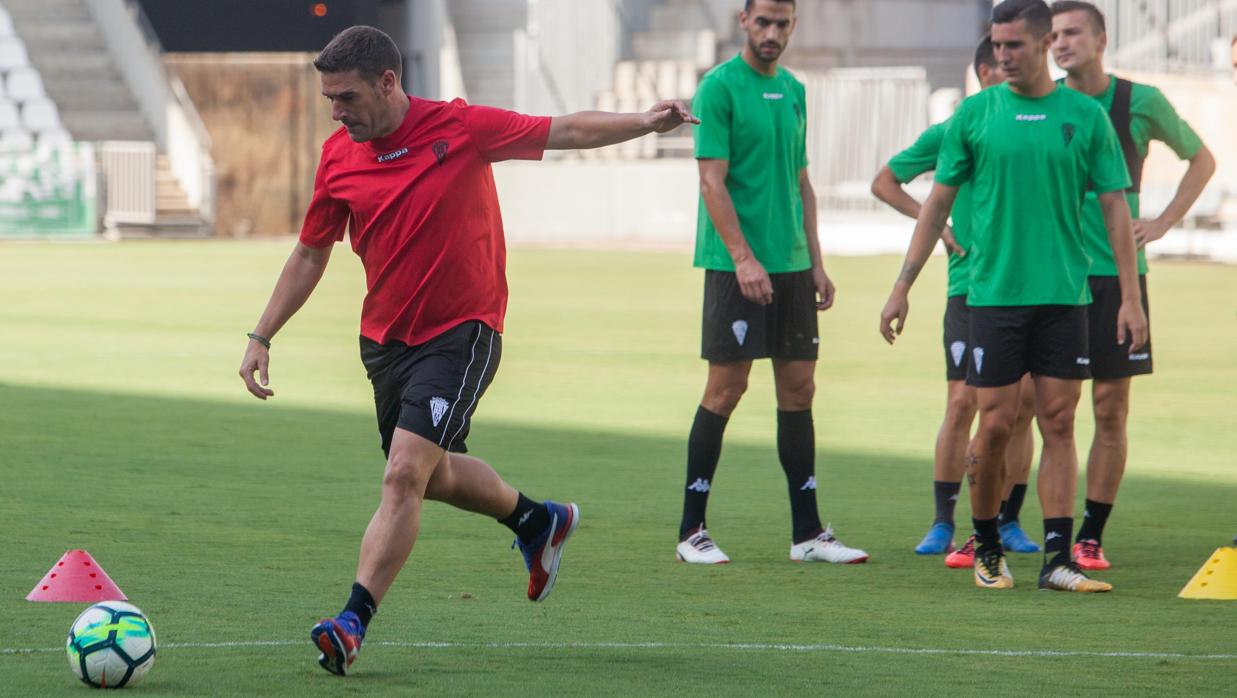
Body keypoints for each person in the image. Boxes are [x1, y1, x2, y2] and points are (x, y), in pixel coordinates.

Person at [237, 26, 698, 676]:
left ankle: (351, 623)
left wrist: (644, 123)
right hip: (384, 342)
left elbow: (561, 130)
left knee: (402, 474)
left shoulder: (461, 128)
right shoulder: (338, 156)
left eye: (345, 97)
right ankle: (538, 522)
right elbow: (312, 252)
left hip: (462, 331)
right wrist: (262, 334)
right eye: (329, 99)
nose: (336, 112)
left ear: (388, 83)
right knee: (432, 474)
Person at [879, 0, 1148, 593]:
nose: (1002, 56)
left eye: (1013, 46)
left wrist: (1130, 298)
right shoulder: (973, 116)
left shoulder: (1084, 116)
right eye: (996, 45)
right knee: (995, 424)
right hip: (992, 299)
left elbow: (1115, 210)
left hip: (1065, 298)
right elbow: (937, 206)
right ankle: (988, 547)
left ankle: (1057, 559)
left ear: (1046, 42)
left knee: (1058, 421)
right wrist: (903, 285)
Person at [675, 0, 867, 566]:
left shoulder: (795, 91)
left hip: (790, 265)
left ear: (793, 26)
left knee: (800, 391)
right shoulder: (719, 89)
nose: (772, 33)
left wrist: (815, 260)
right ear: (743, 22)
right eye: (763, 22)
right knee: (726, 389)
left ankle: (808, 535)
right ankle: (692, 531)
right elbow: (712, 182)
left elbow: (801, 182)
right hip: (737, 266)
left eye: (782, 24)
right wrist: (743, 258)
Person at [1050, 1, 1216, 570]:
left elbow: (1202, 160)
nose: (1060, 44)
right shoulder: (1048, 103)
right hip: (1055, 280)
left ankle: (1090, 536)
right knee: (1042, 407)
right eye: (1053, 35)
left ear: (1100, 39)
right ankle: (1013, 528)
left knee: (1110, 408)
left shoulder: (1139, 102)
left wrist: (1164, 221)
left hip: (1119, 280)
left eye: (1072, 33)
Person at [871, 36, 1041, 564]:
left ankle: (1008, 520)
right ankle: (945, 521)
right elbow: (886, 182)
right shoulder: (958, 126)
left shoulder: (1036, 125)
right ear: (985, 72)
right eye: (1001, 69)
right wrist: (940, 226)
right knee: (964, 404)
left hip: (1034, 288)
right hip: (971, 289)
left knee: (1025, 408)